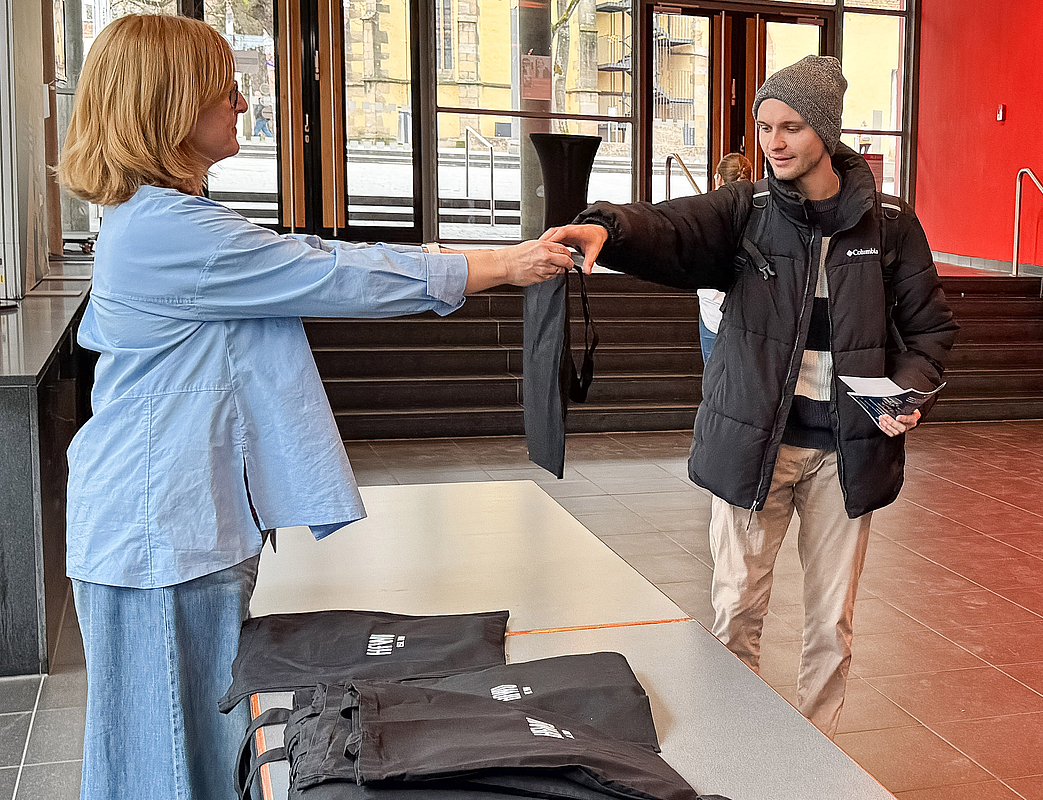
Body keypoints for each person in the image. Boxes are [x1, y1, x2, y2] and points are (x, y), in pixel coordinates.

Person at [56, 14, 571, 800]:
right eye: (220, 86)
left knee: (187, 754)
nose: (239, 98)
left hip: (174, 528)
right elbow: (330, 271)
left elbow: (313, 262)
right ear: (166, 104)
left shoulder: (164, 223)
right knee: (163, 766)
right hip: (159, 536)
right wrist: (505, 263)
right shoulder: (169, 232)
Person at [542, 55, 958, 736]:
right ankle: (735, 743)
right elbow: (671, 227)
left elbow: (929, 329)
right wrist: (606, 229)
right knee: (735, 608)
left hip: (846, 455)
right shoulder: (746, 211)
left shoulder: (888, 224)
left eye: (790, 126)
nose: (774, 142)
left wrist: (906, 394)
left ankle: (817, 751)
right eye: (764, 127)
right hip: (754, 447)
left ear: (824, 129)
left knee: (831, 622)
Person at [698, 153, 753, 363]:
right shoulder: (761, 210)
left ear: (718, 180)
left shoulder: (707, 213)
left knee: (713, 375)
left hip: (713, 307)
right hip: (749, 307)